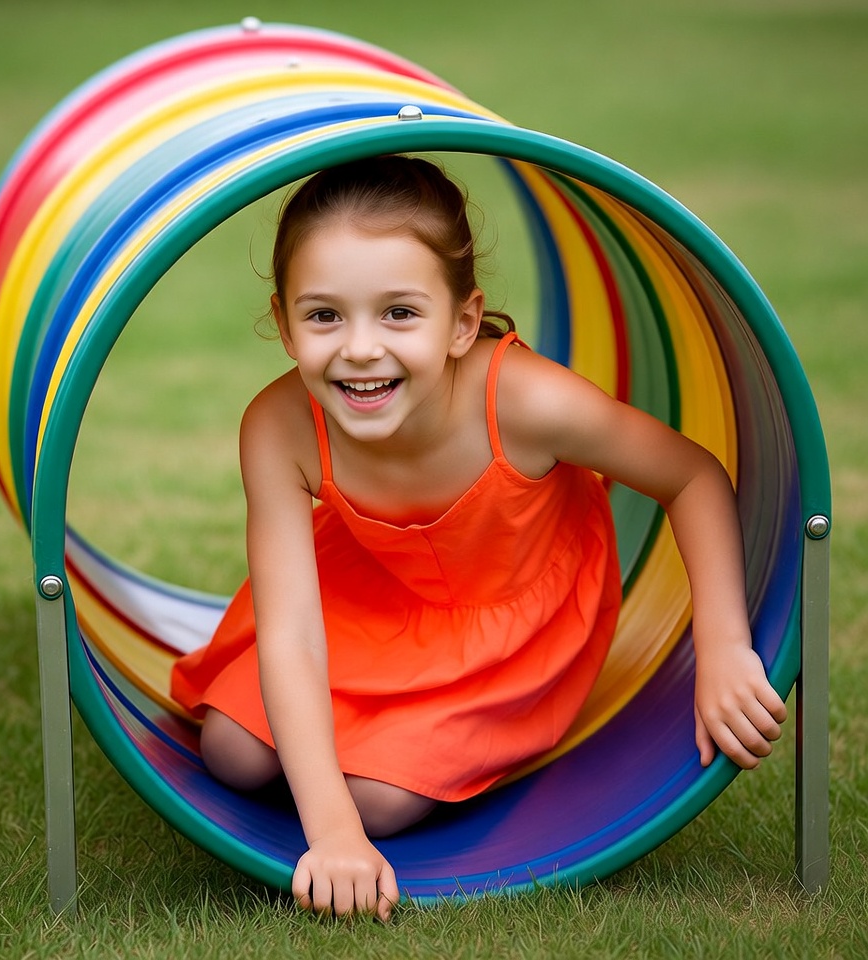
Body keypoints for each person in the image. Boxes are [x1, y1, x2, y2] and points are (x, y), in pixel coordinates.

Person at [171, 155, 787, 921]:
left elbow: (691, 475)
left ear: (463, 322)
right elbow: (291, 630)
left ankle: (384, 768)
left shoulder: (527, 403)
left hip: (504, 621)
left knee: (377, 802)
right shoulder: (278, 427)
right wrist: (328, 833)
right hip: (359, 598)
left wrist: (723, 644)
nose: (361, 348)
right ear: (286, 321)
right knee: (231, 751)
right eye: (325, 315)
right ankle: (342, 779)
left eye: (400, 312)